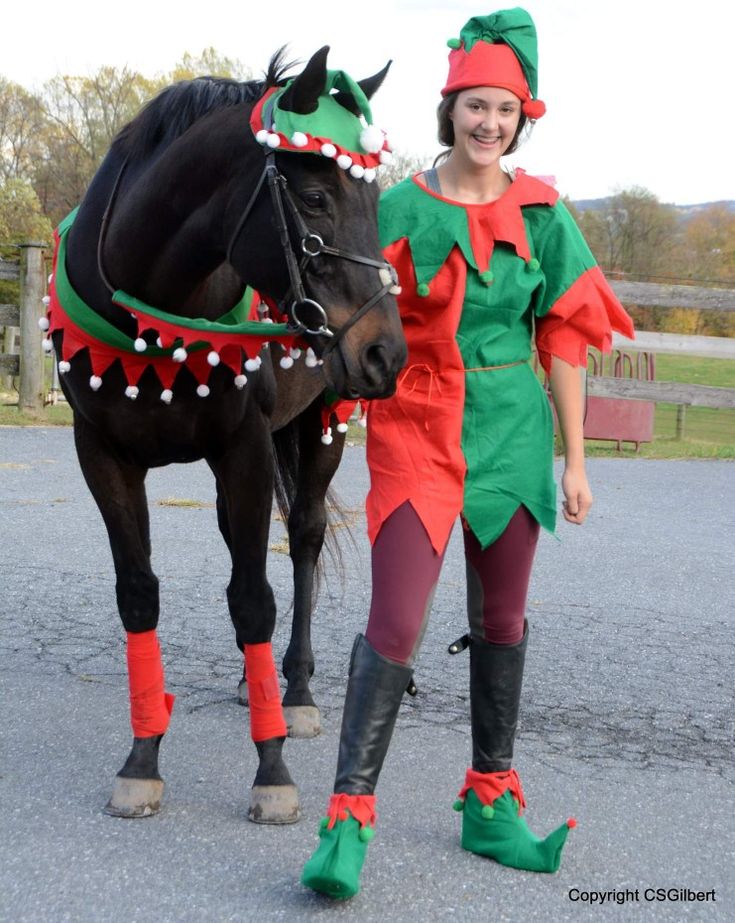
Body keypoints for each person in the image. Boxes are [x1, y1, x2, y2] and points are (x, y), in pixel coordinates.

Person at [301, 7, 635, 899]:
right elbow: (356, 318)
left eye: (503, 109)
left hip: (511, 428)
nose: (487, 123)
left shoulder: (545, 213)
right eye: (472, 106)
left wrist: (574, 460)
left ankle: (490, 802)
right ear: (448, 109)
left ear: (521, 117)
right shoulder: (401, 205)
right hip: (417, 419)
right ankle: (346, 820)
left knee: (501, 621)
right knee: (397, 622)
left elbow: (564, 337)